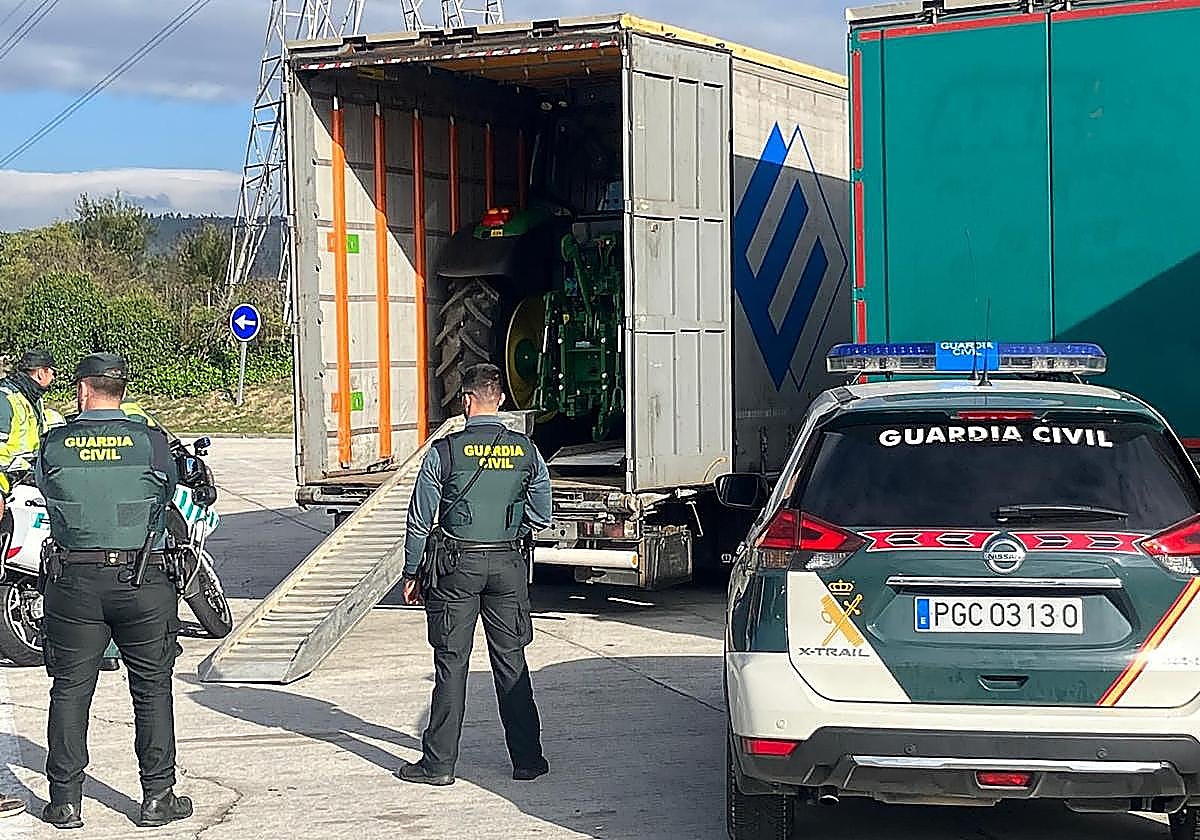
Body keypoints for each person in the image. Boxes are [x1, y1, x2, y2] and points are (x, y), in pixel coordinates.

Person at [35, 353, 192, 830]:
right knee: (150, 689)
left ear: (83, 390)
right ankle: (157, 796)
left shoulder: (55, 443)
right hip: (142, 580)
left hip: (74, 583)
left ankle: (65, 801)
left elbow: (45, 488)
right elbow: (168, 493)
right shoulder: (150, 442)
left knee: (70, 690)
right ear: (119, 390)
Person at [397, 363, 552, 786]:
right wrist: (511, 530)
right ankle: (528, 760)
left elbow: (419, 520)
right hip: (506, 565)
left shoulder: (443, 452)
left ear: (466, 400)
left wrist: (412, 572)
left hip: (455, 569)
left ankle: (439, 764)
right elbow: (542, 513)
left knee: (451, 664)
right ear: (500, 400)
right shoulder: (526, 450)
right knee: (511, 662)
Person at [0, 349, 57, 521]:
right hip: (6, 472)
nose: (54, 378)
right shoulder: (5, 398)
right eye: (53, 372)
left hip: (28, 471)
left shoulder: (34, 398)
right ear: (41, 373)